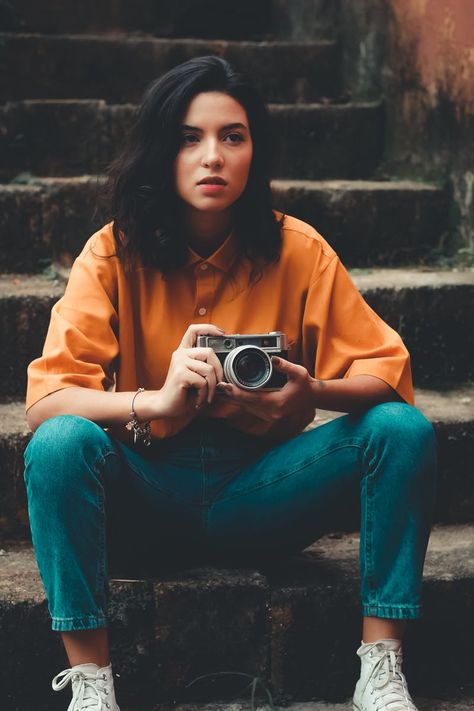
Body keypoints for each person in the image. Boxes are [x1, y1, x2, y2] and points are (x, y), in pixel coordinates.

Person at [24, 55, 437, 711]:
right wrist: (154, 400)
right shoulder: (112, 251)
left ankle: (381, 667)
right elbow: (47, 401)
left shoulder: (299, 249)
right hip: (146, 491)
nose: (211, 156)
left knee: (402, 429)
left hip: (266, 490)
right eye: (190, 137)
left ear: (254, 151)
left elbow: (388, 372)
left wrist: (310, 393)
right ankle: (92, 684)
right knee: (57, 445)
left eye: (232, 136)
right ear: (163, 150)